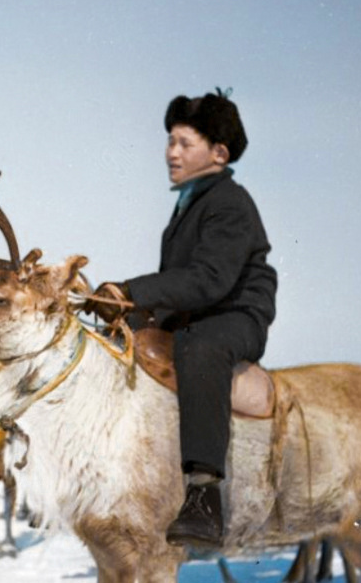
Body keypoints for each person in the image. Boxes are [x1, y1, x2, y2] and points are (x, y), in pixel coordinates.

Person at [86, 89, 277, 548]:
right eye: (170, 141)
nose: (171, 152)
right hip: (197, 313)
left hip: (234, 316)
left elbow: (210, 279)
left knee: (198, 346)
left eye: (183, 142)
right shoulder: (190, 204)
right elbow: (180, 287)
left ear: (218, 152)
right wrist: (125, 310)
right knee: (117, 341)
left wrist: (134, 291)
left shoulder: (229, 201)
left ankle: (204, 494)